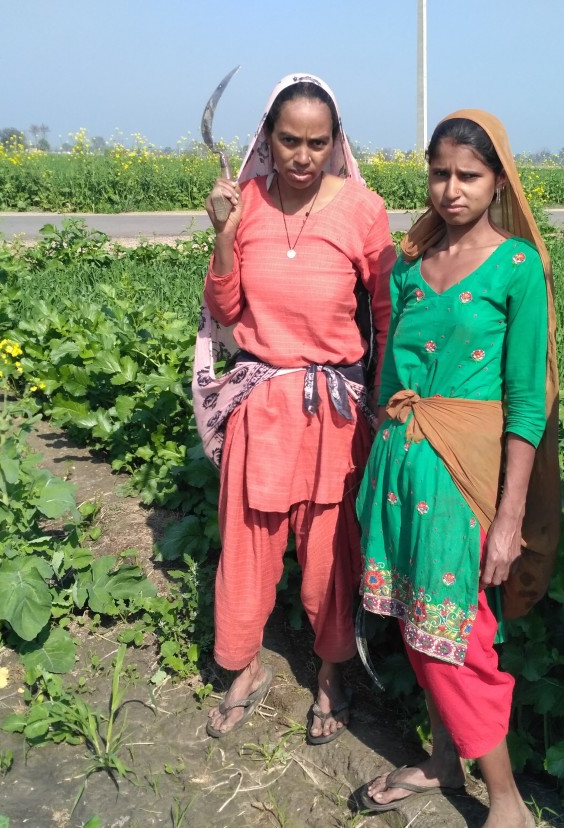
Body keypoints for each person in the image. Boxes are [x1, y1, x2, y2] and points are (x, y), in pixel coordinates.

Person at [354, 111, 560, 828]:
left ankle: (506, 799)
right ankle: (443, 762)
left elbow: (527, 403)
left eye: (468, 175)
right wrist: (384, 448)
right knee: (419, 626)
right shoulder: (409, 263)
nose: (451, 190)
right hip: (402, 466)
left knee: (459, 636)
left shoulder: (516, 267)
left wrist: (508, 518)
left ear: (498, 179)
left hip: (465, 476)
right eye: (439, 173)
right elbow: (387, 370)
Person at [193, 73, 395, 743]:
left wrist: (388, 400)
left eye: (316, 142)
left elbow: (385, 311)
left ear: (336, 142)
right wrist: (222, 232)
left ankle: (332, 675)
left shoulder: (364, 209)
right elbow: (224, 309)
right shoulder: (245, 201)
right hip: (262, 404)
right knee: (247, 546)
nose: (302, 156)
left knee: (330, 553)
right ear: (266, 140)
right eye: (289, 141)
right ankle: (242, 667)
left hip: (334, 412)